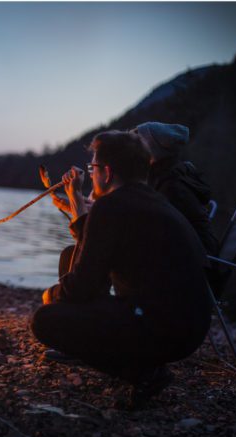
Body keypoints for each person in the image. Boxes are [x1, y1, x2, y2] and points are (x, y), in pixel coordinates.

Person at [31, 130, 212, 409]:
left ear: (107, 172)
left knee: (45, 319)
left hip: (163, 329)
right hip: (191, 326)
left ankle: (144, 372)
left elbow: (81, 288)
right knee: (70, 277)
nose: (90, 174)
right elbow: (93, 261)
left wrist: (52, 294)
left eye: (92, 168)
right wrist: (78, 202)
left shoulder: (112, 206)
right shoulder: (153, 201)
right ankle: (131, 358)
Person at [131, 122, 218, 256]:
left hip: (195, 264)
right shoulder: (169, 177)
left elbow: (156, 231)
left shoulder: (172, 186)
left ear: (153, 151)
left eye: (138, 145)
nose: (133, 151)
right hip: (197, 256)